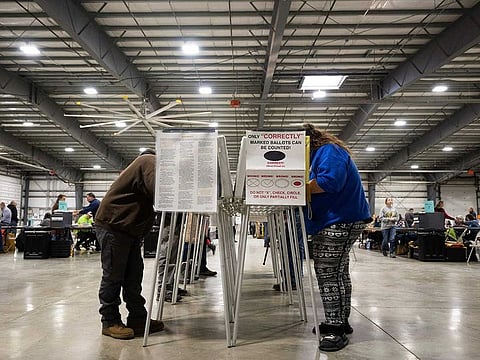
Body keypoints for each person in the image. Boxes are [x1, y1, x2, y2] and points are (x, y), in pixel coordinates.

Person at [303, 123, 371, 352]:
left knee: (327, 272)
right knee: (338, 272)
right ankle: (340, 321)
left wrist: (295, 187)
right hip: (341, 218)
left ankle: (336, 330)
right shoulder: (322, 153)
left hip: (340, 219)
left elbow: (330, 182)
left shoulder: (328, 151)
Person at [95, 151, 164, 340]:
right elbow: (161, 194)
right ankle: (109, 321)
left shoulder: (145, 164)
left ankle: (138, 318)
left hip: (127, 229)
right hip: (114, 226)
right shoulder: (149, 161)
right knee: (114, 275)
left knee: (133, 276)